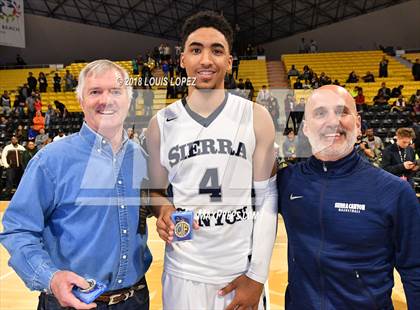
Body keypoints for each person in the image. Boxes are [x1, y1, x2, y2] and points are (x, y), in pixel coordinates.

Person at [146, 11, 277, 310]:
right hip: (183, 272)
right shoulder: (160, 123)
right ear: (182, 60)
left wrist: (256, 277)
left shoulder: (256, 117)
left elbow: (267, 198)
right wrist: (163, 207)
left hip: (238, 272)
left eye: (217, 50)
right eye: (196, 49)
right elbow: (154, 191)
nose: (206, 60)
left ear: (230, 62)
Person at [0, 60, 152, 309]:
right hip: (71, 302)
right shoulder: (51, 160)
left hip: (135, 299)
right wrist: (50, 277)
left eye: (115, 91)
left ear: (129, 99)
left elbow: (156, 208)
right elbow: (18, 229)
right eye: (95, 92)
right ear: (81, 101)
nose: (106, 100)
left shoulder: (142, 158)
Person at [277, 85, 420, 309]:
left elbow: (416, 270)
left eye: (342, 112)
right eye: (320, 113)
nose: (333, 121)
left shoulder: (395, 192)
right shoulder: (286, 181)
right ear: (305, 127)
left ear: (358, 123)